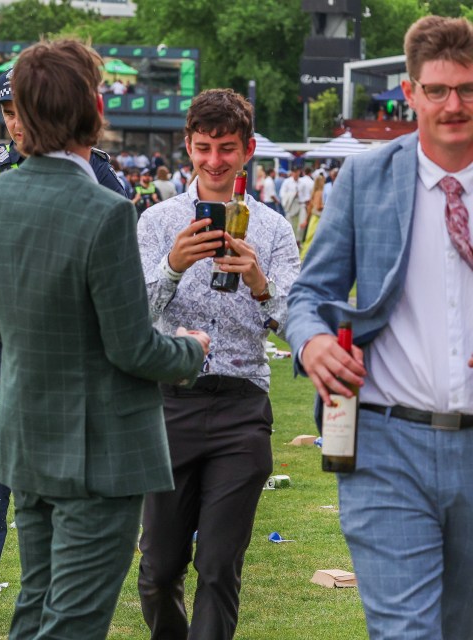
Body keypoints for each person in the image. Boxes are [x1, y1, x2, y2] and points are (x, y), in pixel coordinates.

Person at [0, 39, 210, 640]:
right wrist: (192, 349)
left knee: (36, 604)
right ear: (92, 110)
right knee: (71, 620)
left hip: (27, 432)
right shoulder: (105, 211)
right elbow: (133, 348)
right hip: (100, 448)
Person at [0, 64, 127, 633]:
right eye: (7, 112)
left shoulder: (100, 177)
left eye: (22, 110)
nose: (15, 122)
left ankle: (59, 598)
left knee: (62, 479)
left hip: (70, 354)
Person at [288, 15, 473, 640]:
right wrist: (312, 340)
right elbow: (310, 293)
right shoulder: (367, 179)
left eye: (469, 90)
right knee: (405, 634)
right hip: (388, 446)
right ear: (411, 93)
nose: (454, 105)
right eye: (438, 90)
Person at [136, 88, 300, 640]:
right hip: (167, 404)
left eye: (226, 148)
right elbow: (131, 315)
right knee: (158, 570)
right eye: (203, 147)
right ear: (188, 146)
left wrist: (260, 283)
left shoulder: (274, 229)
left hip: (241, 407)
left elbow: (296, 320)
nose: (213, 161)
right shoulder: (157, 221)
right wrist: (173, 266)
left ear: (247, 150)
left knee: (218, 568)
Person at [300, 173, 325, 258]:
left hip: (313, 218)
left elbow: (310, 207)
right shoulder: (320, 193)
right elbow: (318, 206)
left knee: (309, 238)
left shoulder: (314, 192)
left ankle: (304, 256)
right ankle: (305, 256)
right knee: (312, 239)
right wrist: (326, 206)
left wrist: (306, 220)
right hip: (317, 218)